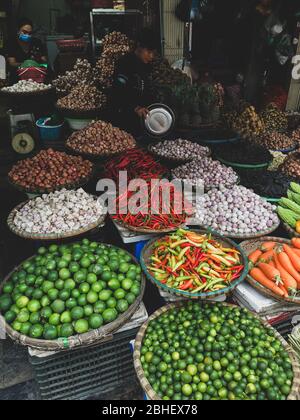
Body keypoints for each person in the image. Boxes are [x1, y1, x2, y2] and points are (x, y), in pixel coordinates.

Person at [110, 29, 158, 135]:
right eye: (149, 52)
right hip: (125, 118)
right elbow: (118, 91)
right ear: (139, 47)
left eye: (153, 53)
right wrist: (135, 108)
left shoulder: (147, 66)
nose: (151, 56)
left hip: (143, 118)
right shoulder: (125, 63)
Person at [7, 18, 47, 82]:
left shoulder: (37, 42)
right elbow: (12, 63)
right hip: (18, 76)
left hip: (36, 75)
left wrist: (37, 64)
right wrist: (27, 64)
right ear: (18, 31)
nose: (27, 35)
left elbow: (44, 61)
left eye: (30, 33)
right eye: (24, 32)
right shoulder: (12, 43)